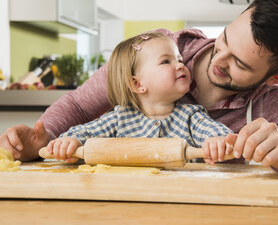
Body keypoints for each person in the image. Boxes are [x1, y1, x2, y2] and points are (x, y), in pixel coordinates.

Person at [0, 0, 278, 178]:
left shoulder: (275, 104)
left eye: (239, 64)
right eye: (224, 39)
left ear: (274, 78)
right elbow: (81, 108)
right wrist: (44, 136)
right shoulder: (153, 51)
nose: (217, 60)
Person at [45, 32, 233, 164]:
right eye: (166, 61)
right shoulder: (119, 118)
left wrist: (218, 142)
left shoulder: (192, 116)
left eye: (180, 59)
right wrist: (70, 141)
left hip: (180, 195)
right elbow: (85, 133)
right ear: (137, 84)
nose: (180, 65)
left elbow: (214, 132)